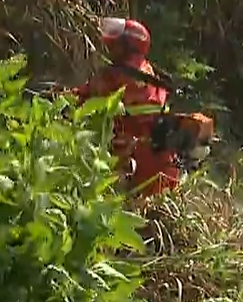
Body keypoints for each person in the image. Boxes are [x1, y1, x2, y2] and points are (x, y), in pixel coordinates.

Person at [66, 17, 181, 198]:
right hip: (163, 167)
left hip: (138, 168)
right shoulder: (149, 72)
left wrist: (57, 98)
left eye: (116, 45)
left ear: (128, 46)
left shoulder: (117, 77)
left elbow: (82, 97)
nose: (111, 49)